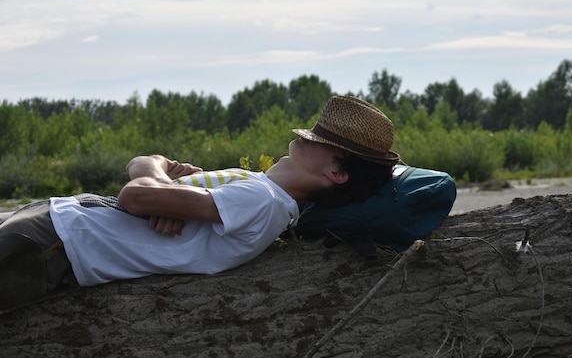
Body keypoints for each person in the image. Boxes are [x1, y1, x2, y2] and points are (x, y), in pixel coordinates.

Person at [0, 95, 399, 310]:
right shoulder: (252, 185)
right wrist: (158, 178)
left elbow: (135, 193)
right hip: (52, 225)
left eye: (321, 140)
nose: (308, 137)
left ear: (337, 172)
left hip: (56, 243)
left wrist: (157, 183)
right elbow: (141, 166)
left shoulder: (260, 201)